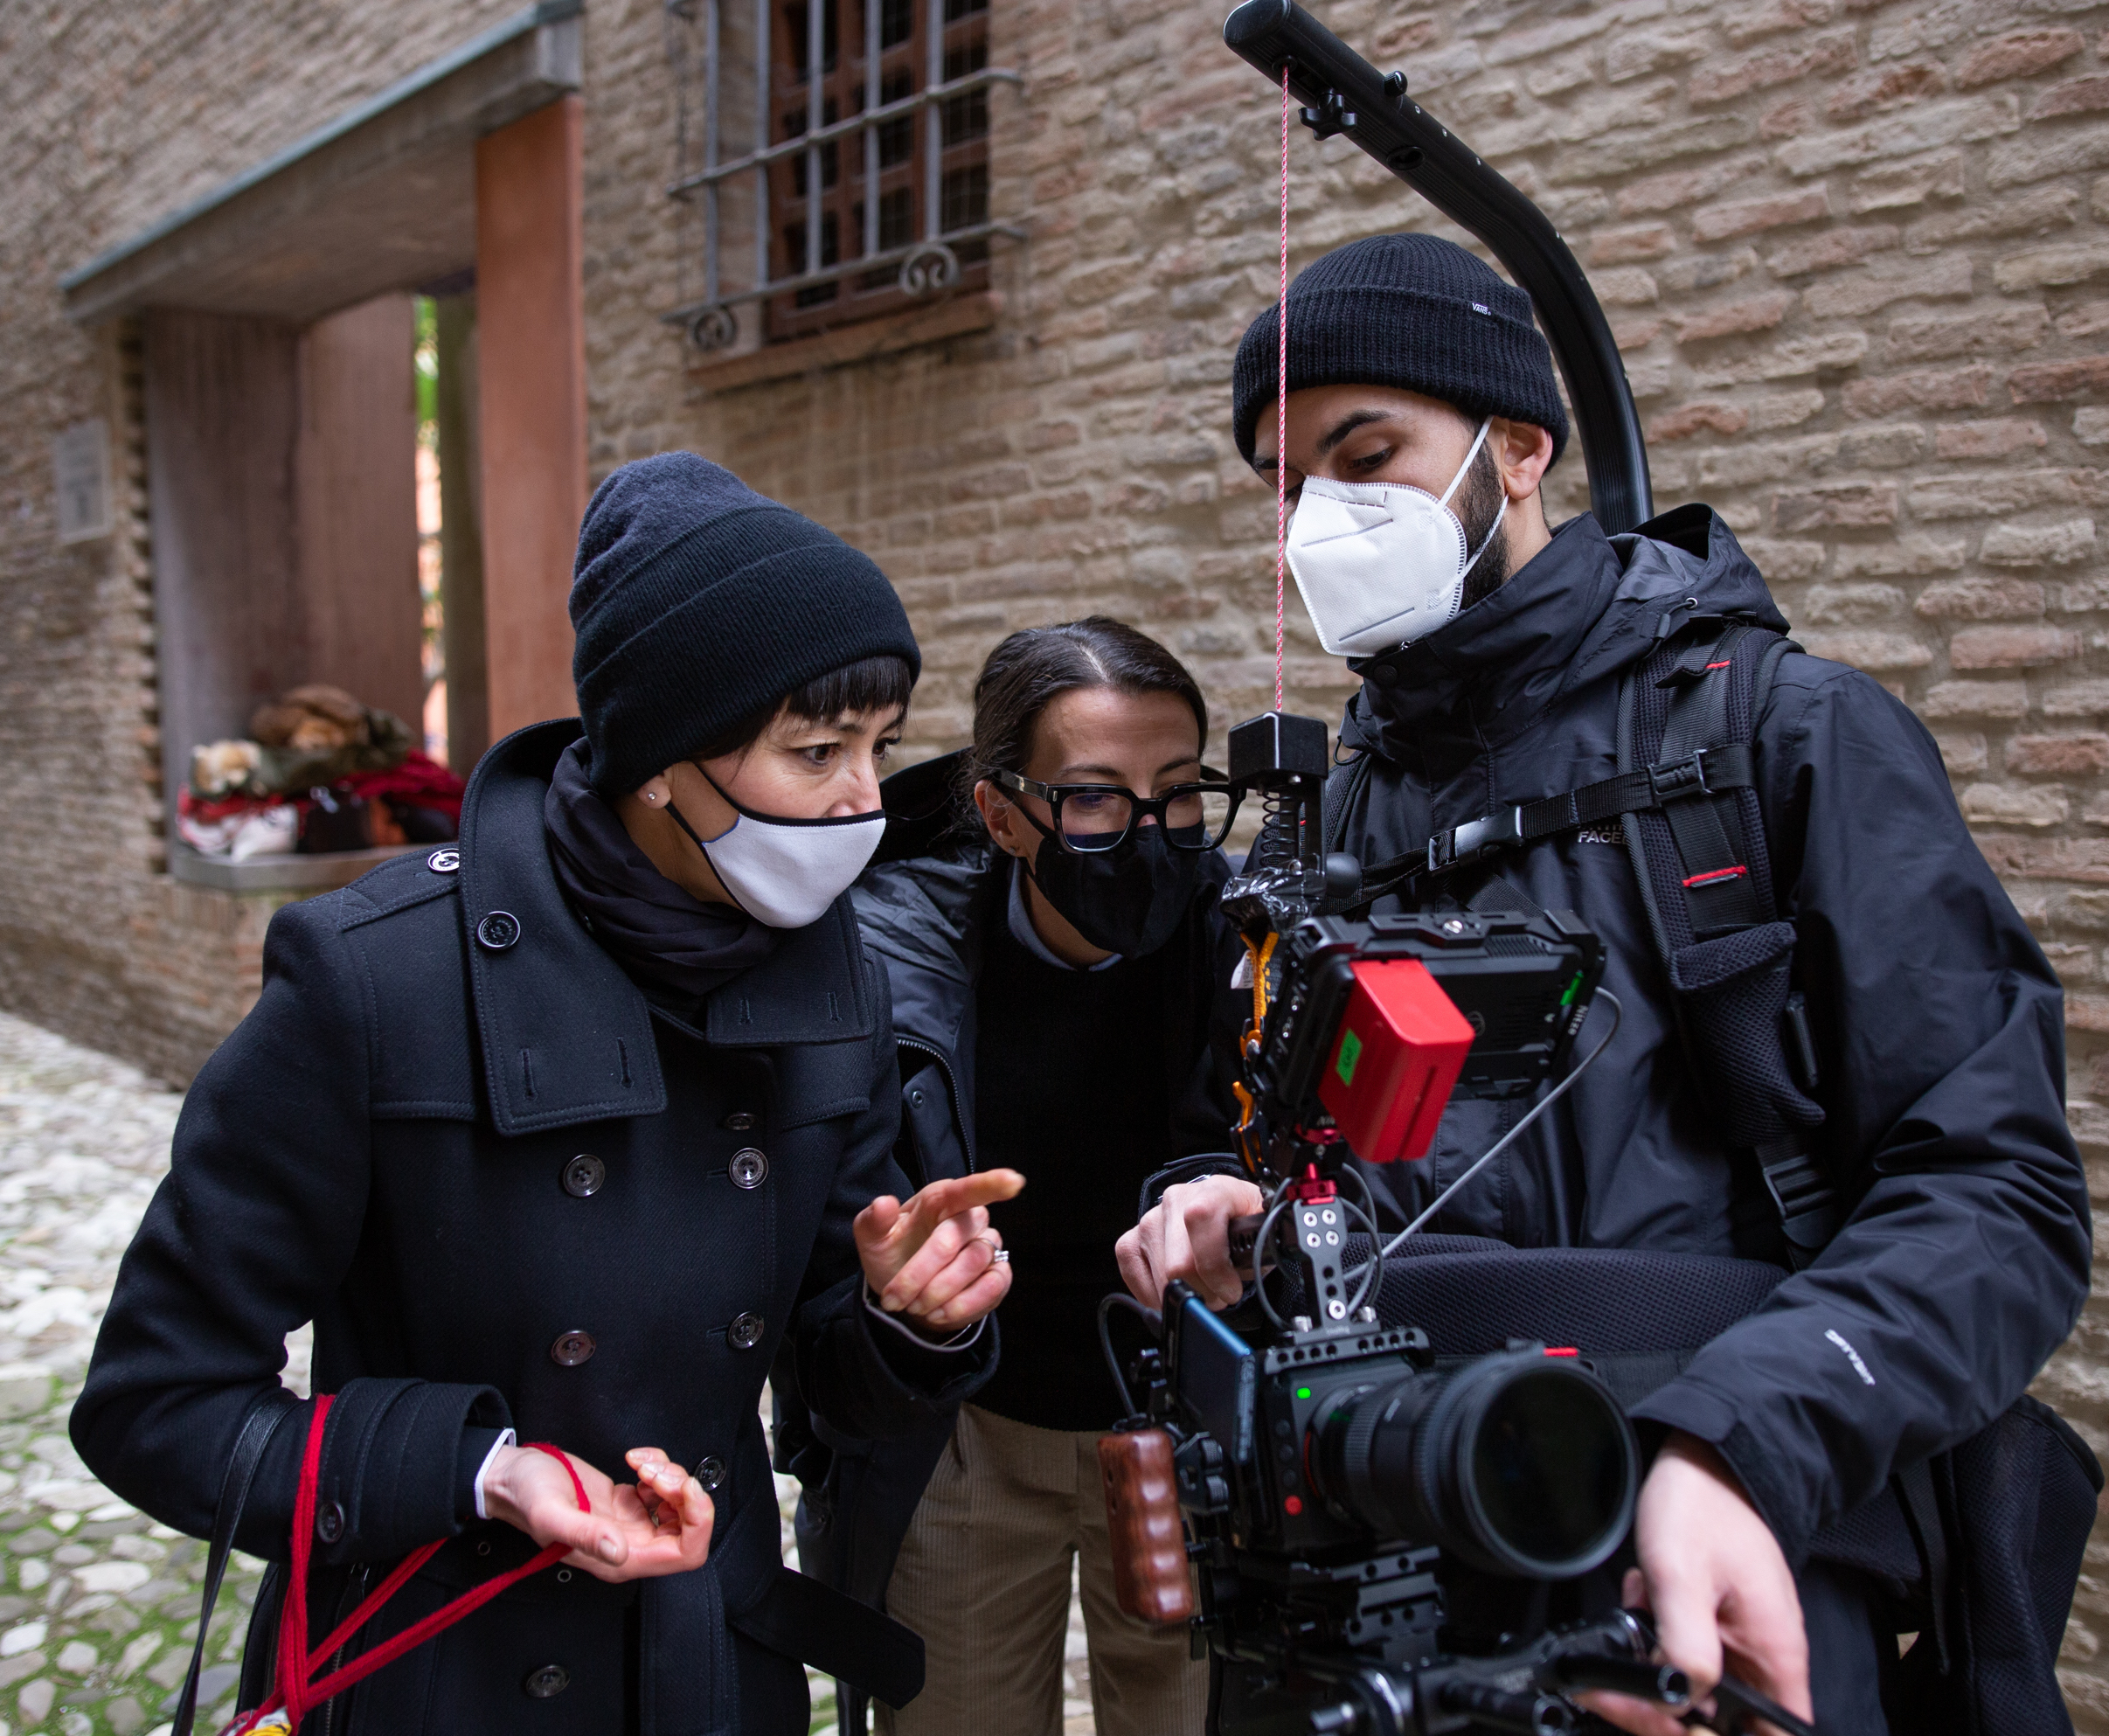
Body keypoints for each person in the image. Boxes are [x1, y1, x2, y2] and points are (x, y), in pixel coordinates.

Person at [1115, 233, 2092, 1734]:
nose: (1318, 516)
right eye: (1284, 480)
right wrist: (1235, 1208)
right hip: (1376, 1562)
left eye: (1363, 453)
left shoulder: (1785, 738)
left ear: (1516, 450)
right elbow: (1282, 1146)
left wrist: (1731, 1448)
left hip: (1709, 1552)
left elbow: (1994, 1201)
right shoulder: (1336, 818)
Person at [72, 453, 1024, 1735]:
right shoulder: (375, 978)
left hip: (706, 1662)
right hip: (431, 1655)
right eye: (816, 751)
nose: (864, 803)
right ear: (657, 763)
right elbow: (154, 1402)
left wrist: (909, 1315)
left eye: (877, 747)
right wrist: (480, 1468)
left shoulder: (827, 965)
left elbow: (824, 1370)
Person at [782, 619, 1244, 1736]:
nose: (1145, 830)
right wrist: (902, 1300)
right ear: (999, 814)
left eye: (1178, 792)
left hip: (1189, 1436)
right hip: (968, 1440)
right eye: (1092, 796)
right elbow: (820, 1269)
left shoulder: (1251, 940)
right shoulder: (880, 963)